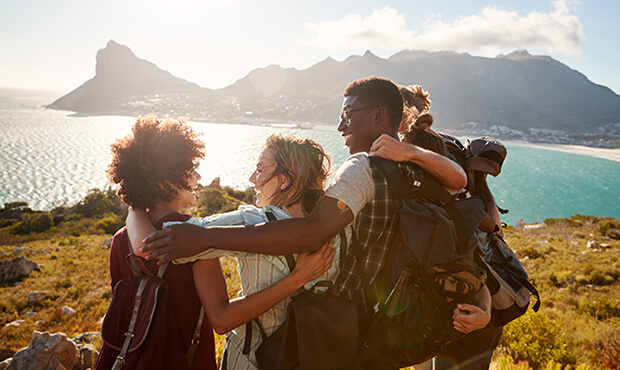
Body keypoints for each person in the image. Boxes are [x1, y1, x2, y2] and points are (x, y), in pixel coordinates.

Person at [137, 77, 481, 368]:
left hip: (349, 327)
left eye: (348, 115)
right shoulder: (423, 170)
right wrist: (412, 152)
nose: (340, 126)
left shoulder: (362, 169)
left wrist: (204, 237)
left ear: (378, 115)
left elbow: (312, 232)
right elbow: (461, 187)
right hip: (404, 319)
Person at [127, 133, 341, 370]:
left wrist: (134, 206)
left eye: (260, 169)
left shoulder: (252, 221)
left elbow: (162, 240)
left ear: (284, 181)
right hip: (317, 356)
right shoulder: (335, 227)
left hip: (251, 361)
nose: (252, 178)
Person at [95, 115, 217, 370]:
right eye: (188, 168)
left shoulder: (120, 239)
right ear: (164, 182)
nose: (197, 175)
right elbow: (220, 313)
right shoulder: (195, 235)